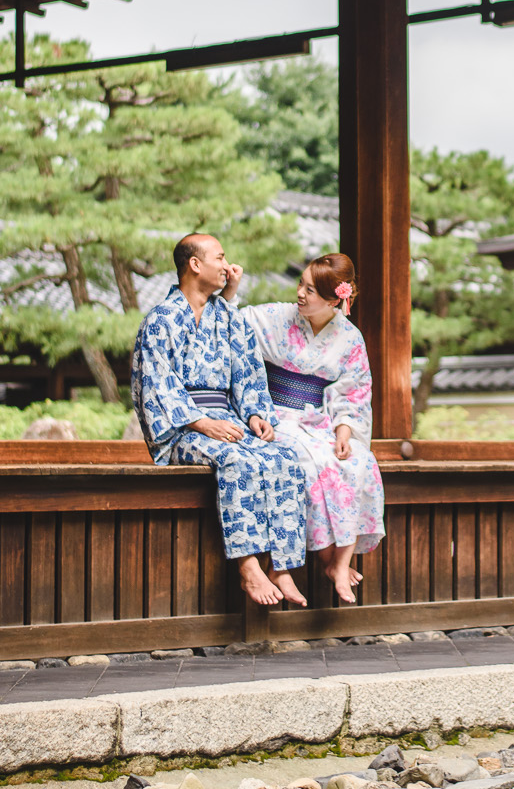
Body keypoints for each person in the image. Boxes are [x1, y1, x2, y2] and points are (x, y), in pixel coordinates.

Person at [130, 233, 308, 608]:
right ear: (195, 265)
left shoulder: (225, 317)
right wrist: (199, 422)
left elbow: (247, 369)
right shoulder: (160, 321)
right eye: (220, 258)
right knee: (239, 460)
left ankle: (281, 566)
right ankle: (247, 565)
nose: (227, 266)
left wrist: (257, 414)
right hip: (183, 431)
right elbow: (157, 384)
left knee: (285, 456)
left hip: (228, 421)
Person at [239, 253, 385, 604]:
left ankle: (340, 561)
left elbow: (354, 392)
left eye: (311, 290)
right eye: (301, 284)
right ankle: (310, 560)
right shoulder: (275, 316)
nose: (300, 294)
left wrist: (344, 433)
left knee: (359, 462)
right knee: (307, 462)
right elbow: (232, 322)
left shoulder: (349, 338)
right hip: (274, 417)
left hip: (319, 421)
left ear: (336, 299)